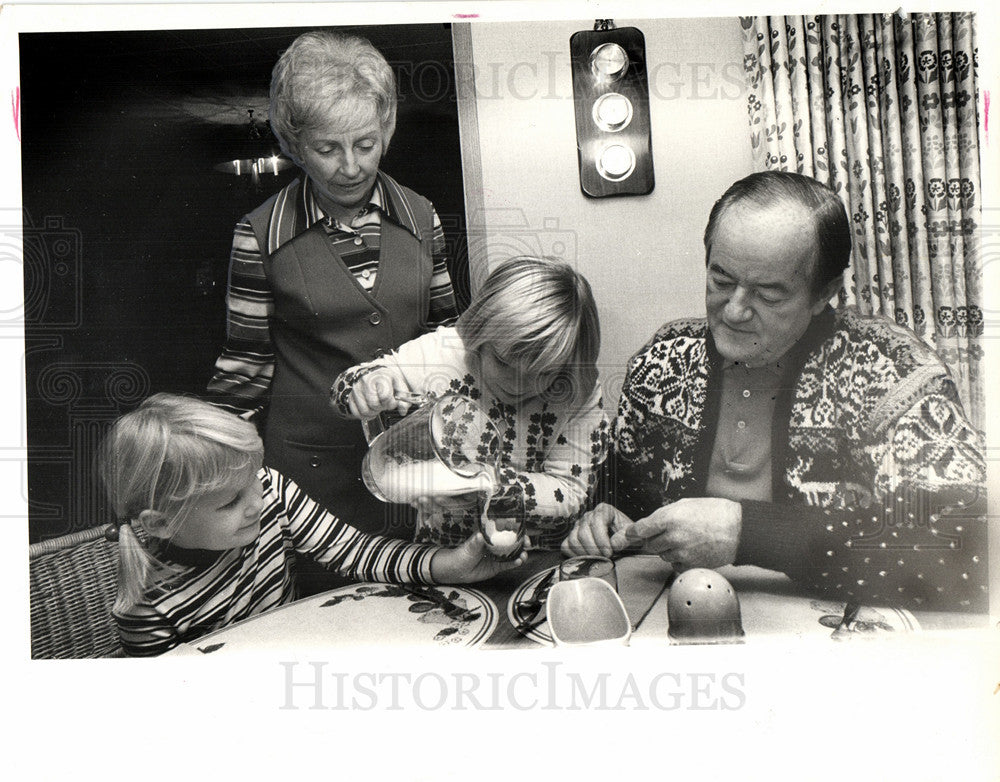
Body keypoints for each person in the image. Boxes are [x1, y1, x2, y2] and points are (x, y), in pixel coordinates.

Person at [563, 171, 987, 612]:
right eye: (721, 280)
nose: (734, 310)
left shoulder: (895, 373)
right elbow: (620, 496)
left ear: (824, 293)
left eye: (768, 294)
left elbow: (968, 546)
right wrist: (606, 517)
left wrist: (750, 533)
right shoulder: (660, 363)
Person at [207, 31, 459, 538]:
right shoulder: (259, 235)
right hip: (309, 481)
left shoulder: (421, 215)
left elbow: (447, 336)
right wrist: (213, 468)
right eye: (327, 148)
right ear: (295, 146)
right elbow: (245, 370)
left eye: (366, 144)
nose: (351, 166)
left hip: (417, 467)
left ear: (386, 129)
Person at [103, 394, 523, 656]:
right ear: (160, 524)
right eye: (230, 502)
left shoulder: (271, 492)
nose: (257, 503)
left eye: (255, 480)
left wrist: (452, 564)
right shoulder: (146, 607)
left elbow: (357, 554)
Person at [331, 257, 609, 549]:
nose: (517, 384)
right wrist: (364, 386)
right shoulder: (445, 353)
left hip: (540, 558)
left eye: (543, 374)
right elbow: (343, 389)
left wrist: (486, 484)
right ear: (479, 335)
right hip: (440, 555)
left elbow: (571, 493)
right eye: (502, 362)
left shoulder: (576, 388)